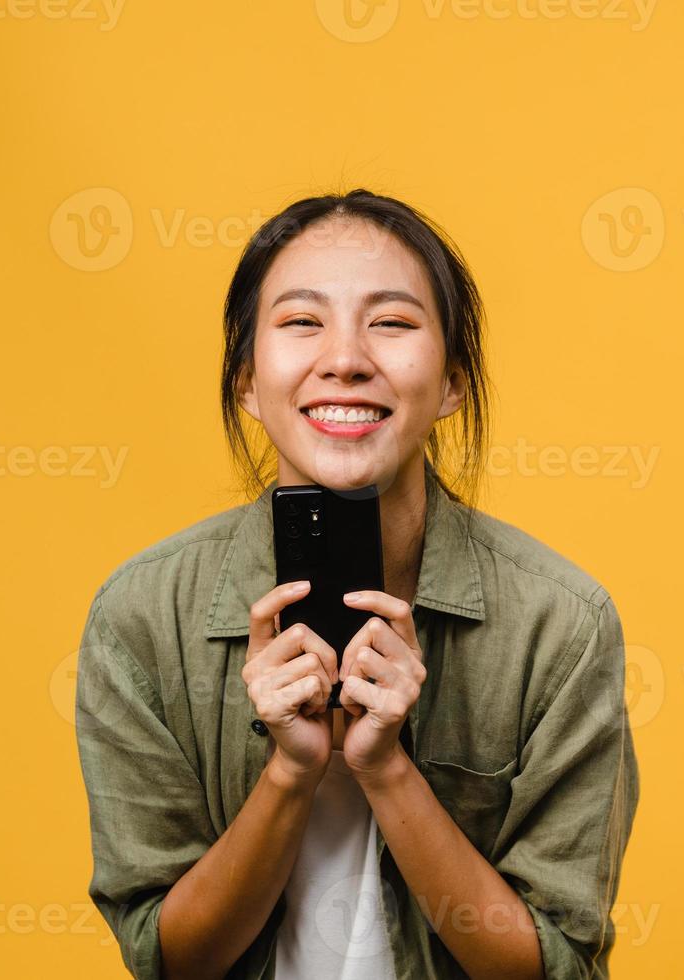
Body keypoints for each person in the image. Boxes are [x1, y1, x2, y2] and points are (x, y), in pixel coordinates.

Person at [74, 189, 639, 979]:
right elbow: (170, 961)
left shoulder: (560, 625)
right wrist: (290, 771)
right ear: (246, 380)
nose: (344, 358)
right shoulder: (140, 617)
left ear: (452, 384)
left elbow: (552, 970)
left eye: (393, 322)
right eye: (303, 321)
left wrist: (386, 768)